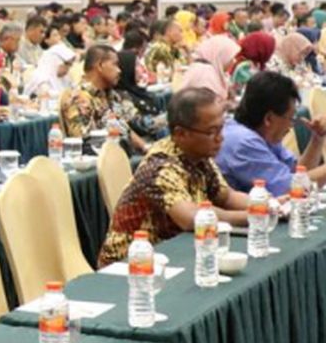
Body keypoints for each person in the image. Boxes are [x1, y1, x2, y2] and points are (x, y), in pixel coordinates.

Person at [97, 88, 250, 266]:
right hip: (129, 265)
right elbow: (191, 218)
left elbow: (228, 197)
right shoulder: (160, 167)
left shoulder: (198, 157)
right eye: (211, 132)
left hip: (168, 256)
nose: (220, 138)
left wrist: (268, 204)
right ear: (181, 134)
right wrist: (250, 216)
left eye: (221, 129)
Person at [217, 71, 326, 194]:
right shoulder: (242, 142)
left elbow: (299, 173)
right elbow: (290, 189)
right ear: (269, 118)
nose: (291, 126)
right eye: (290, 118)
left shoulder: (263, 133)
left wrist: (318, 138)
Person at [181, 35, 240, 104]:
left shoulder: (214, 71)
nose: (234, 61)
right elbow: (208, 106)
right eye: (230, 57)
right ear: (220, 56)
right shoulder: (204, 74)